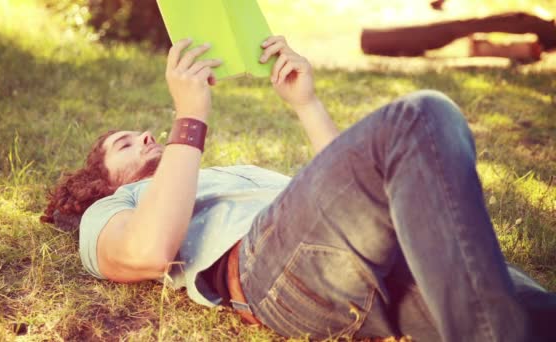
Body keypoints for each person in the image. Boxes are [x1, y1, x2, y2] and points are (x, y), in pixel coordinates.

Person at [41, 36, 555, 341]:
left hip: (374, 261)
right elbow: (149, 251)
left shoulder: (230, 174)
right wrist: (190, 116)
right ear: (100, 183)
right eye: (125, 145)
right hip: (274, 275)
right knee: (420, 116)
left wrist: (305, 104)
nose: (145, 136)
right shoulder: (110, 210)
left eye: (140, 132)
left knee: (535, 312)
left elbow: (359, 193)